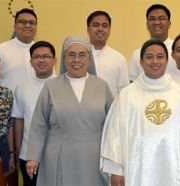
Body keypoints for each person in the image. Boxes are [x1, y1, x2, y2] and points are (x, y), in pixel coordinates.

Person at [100, 38, 180, 186]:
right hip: (136, 169)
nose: (155, 61)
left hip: (174, 168)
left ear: (167, 60)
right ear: (141, 62)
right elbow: (115, 135)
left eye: (160, 57)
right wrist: (116, 170)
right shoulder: (126, 96)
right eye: (149, 57)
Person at [25, 36, 113, 186]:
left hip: (94, 154)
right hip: (59, 153)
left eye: (82, 55)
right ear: (64, 59)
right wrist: (33, 156)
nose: (76, 60)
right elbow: (39, 124)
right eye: (71, 55)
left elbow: (112, 125)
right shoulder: (51, 86)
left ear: (90, 59)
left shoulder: (102, 86)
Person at [12, 41, 57, 185]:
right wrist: (19, 151)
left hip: (57, 153)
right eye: (37, 56)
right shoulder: (22, 86)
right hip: (28, 153)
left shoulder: (62, 85)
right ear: (31, 62)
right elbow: (19, 120)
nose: (41, 60)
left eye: (46, 56)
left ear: (54, 60)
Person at [129, 4, 178, 81]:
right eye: (152, 19)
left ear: (169, 23)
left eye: (161, 18)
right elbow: (132, 83)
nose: (156, 22)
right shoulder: (137, 54)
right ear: (147, 24)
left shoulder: (178, 50)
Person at [86, 10, 130, 97]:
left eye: (104, 26)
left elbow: (124, 92)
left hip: (111, 109)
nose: (100, 29)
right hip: (83, 109)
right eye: (96, 25)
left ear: (109, 29)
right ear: (88, 29)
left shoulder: (119, 59)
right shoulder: (80, 57)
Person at [0, 8, 37, 92]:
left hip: (37, 103)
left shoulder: (42, 51)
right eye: (23, 22)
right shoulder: (0, 50)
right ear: (14, 26)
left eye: (32, 23)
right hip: (9, 103)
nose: (27, 25)